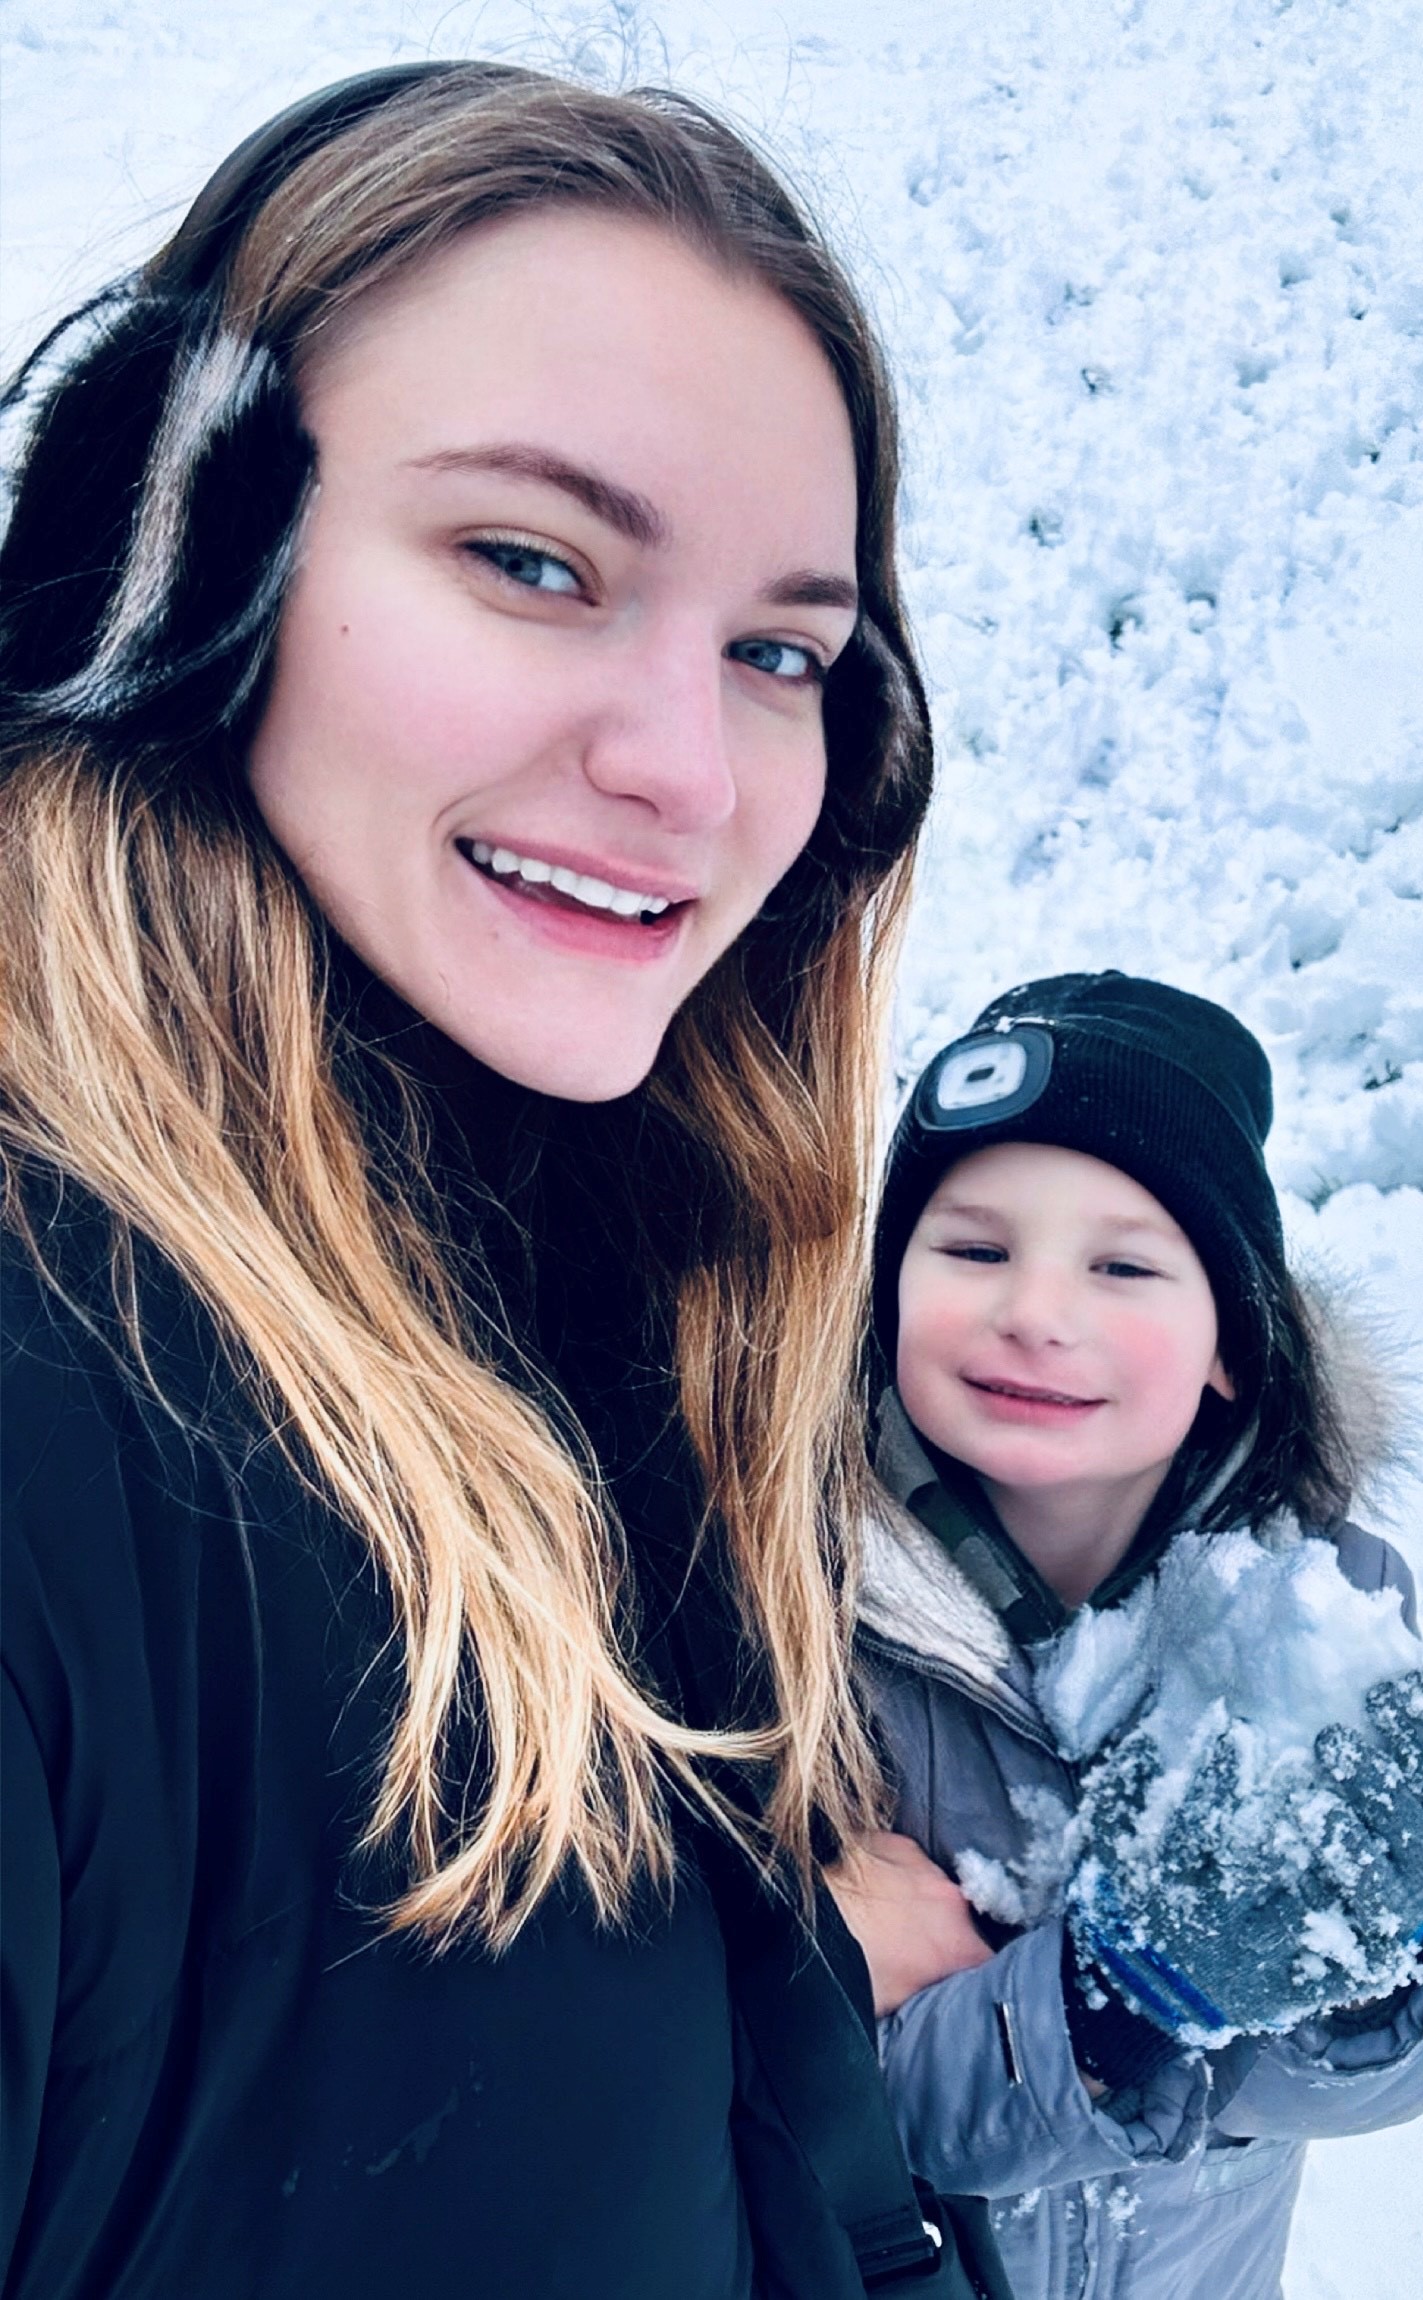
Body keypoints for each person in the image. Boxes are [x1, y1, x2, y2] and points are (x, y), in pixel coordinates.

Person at [0, 61, 974, 2300]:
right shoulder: (50, 1422)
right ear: (159, 563)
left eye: (781, 654)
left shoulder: (633, 1314)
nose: (686, 767)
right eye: (532, 561)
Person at [826, 973, 1423, 2300]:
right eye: (974, 1249)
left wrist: (1363, 1974)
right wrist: (1112, 2007)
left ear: (1231, 1346)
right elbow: (832, 2093)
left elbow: (1389, 2086)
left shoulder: (1322, 1610)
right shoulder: (805, 1618)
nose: (1036, 1309)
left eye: (1123, 1264)